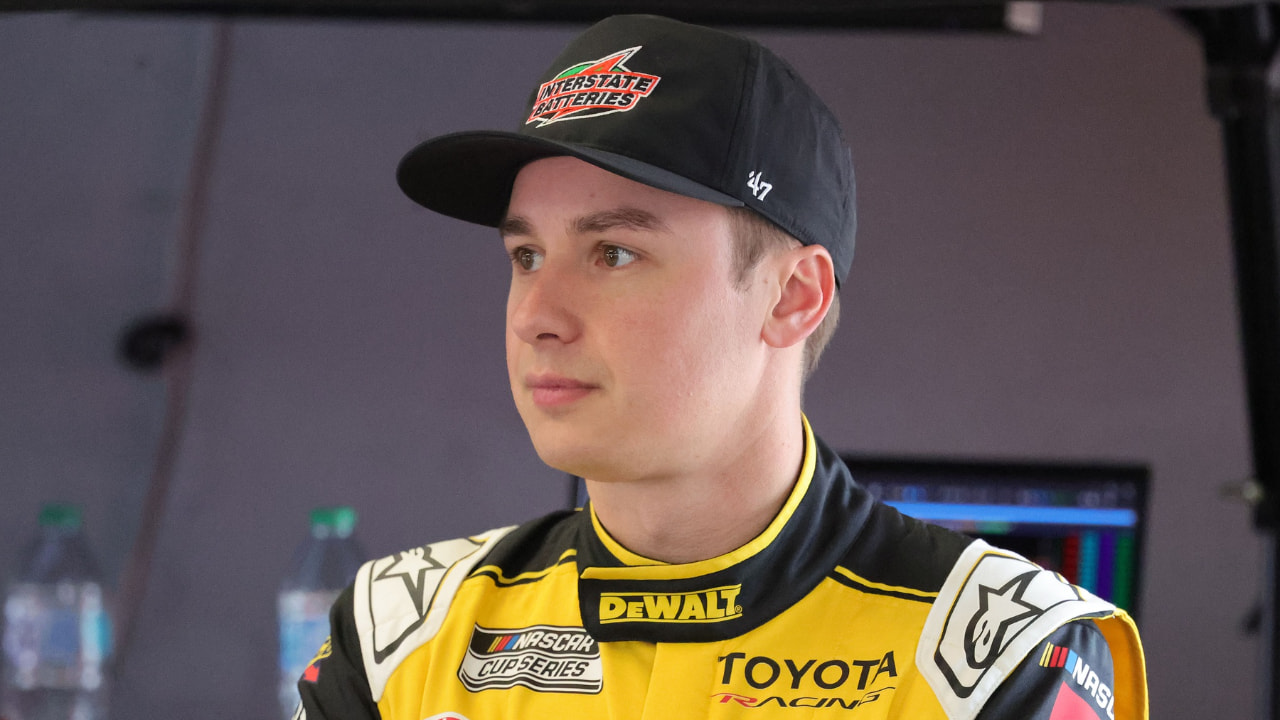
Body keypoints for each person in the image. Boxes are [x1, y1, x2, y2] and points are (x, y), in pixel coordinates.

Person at [295, 14, 1148, 720]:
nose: (535, 316)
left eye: (614, 253)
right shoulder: (396, 636)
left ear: (792, 298)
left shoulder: (1002, 657)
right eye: (526, 256)